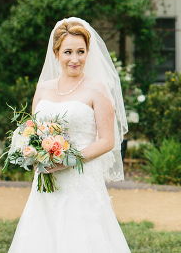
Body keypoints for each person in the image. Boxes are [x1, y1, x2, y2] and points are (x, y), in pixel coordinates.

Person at [9, 17, 130, 252]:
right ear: (56, 53)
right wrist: (33, 152)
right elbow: (32, 130)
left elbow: (107, 141)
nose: (75, 59)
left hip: (81, 180)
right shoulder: (43, 88)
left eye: (81, 51)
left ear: (88, 53)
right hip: (46, 181)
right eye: (68, 52)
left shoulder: (97, 89)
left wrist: (66, 160)